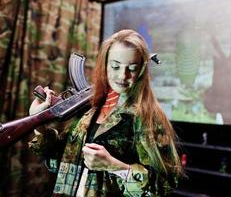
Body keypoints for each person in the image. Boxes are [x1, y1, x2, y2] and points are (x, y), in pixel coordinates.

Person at [28, 29, 183, 196]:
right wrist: (39, 123)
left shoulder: (147, 117)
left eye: (132, 68)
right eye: (115, 66)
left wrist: (114, 166)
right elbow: (58, 162)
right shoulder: (89, 108)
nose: (122, 76)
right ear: (104, 65)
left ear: (141, 71)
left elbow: (165, 183)